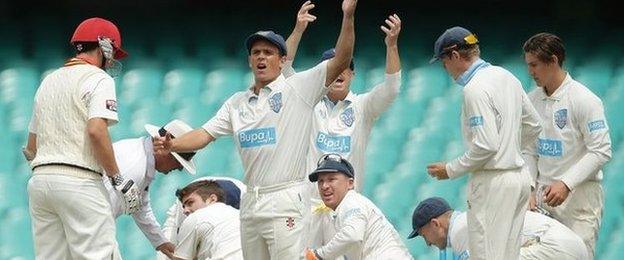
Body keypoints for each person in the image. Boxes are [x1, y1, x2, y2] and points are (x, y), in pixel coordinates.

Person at [153, 0, 358, 258]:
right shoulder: (237, 102)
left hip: (285, 199)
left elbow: (341, 60)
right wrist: (173, 145)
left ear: (283, 61)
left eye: (269, 53)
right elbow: (204, 134)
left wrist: (348, 17)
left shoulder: (298, 89)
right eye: (256, 52)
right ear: (250, 60)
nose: (261, 57)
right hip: (251, 202)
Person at [425, 26, 542, 260]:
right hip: (518, 178)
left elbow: (486, 146)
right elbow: (534, 124)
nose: (445, 69)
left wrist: (450, 169)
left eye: (444, 62)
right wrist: (509, 148)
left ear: (455, 56)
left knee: (486, 255)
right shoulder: (506, 76)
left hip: (493, 183)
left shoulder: (474, 88)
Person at [23, 17, 135, 259]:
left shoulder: (48, 81)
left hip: (40, 181)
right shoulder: (98, 78)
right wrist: (118, 179)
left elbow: (31, 146)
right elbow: (96, 130)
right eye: (113, 51)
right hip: (80, 180)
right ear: (104, 46)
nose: (112, 59)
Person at [284, 7, 403, 193]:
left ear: (352, 73)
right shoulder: (308, 104)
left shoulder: (363, 107)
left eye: (344, 67)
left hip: (348, 204)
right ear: (322, 75)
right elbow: (284, 72)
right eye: (332, 68)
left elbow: (392, 88)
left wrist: (392, 46)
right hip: (310, 203)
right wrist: (298, 30)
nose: (338, 72)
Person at [523, 32, 612, 259]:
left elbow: (601, 150)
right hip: (543, 202)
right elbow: (530, 150)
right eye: (528, 65)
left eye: (535, 65)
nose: (530, 72)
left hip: (578, 201)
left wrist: (566, 183)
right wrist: (529, 188)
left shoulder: (585, 99)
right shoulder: (531, 100)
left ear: (553, 60)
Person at [103, 119, 198, 259]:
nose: (179, 168)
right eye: (178, 161)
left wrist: (162, 242)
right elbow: (101, 210)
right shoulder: (135, 166)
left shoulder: (140, 158)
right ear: (164, 150)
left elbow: (138, 205)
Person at [304, 154, 412, 260]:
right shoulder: (345, 207)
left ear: (350, 183)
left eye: (331, 179)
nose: (324, 186)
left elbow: (352, 236)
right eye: (320, 181)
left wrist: (319, 255)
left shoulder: (352, 202)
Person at [408, 197, 589, 260]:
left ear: (435, 224)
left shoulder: (459, 230)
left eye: (425, 237)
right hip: (567, 246)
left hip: (555, 247)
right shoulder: (467, 221)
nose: (427, 244)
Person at [158, 176, 246, 260]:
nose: (185, 211)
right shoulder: (239, 215)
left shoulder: (195, 217)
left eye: (190, 203)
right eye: (183, 206)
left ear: (212, 199)